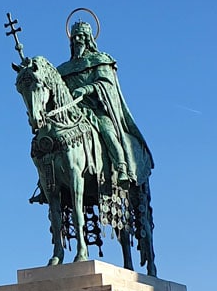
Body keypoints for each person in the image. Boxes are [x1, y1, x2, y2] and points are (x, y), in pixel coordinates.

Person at [57, 18, 153, 188]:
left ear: (88, 39)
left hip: (96, 110)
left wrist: (85, 90)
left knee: (107, 131)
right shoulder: (63, 69)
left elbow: (105, 84)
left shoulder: (99, 60)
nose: (77, 40)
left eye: (80, 36)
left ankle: (122, 167)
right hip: (72, 113)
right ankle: (47, 183)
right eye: (74, 37)